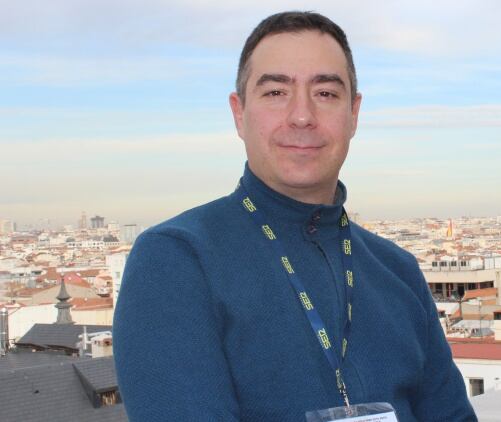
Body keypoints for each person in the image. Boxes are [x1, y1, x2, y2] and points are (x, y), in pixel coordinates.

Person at [113, 11, 477, 421]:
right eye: (275, 93)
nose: (302, 115)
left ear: (353, 114)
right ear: (239, 113)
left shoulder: (397, 269)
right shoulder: (176, 260)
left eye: (325, 93)